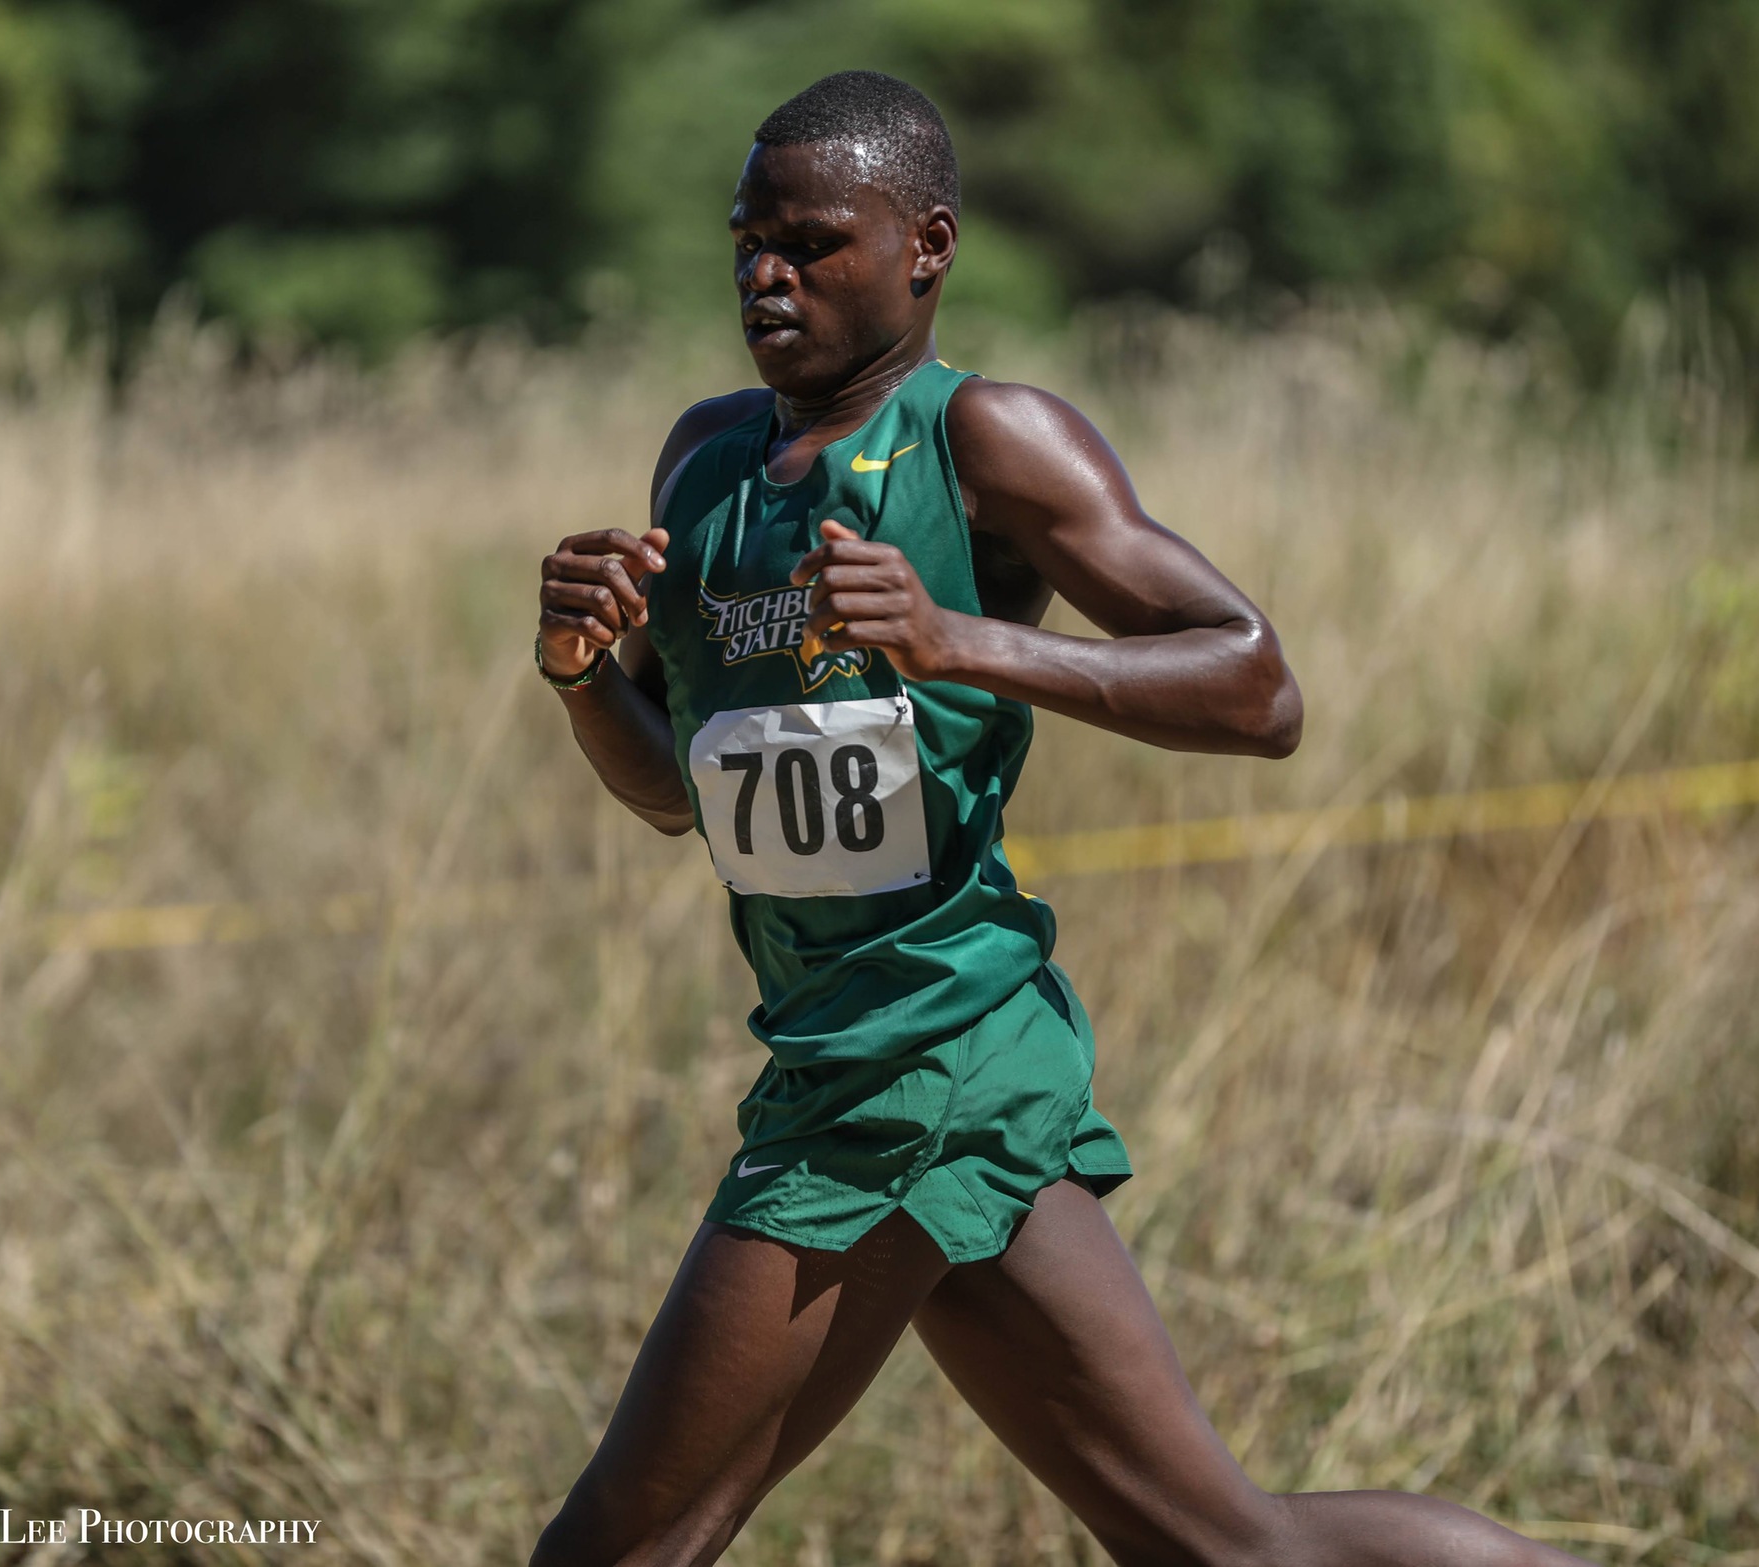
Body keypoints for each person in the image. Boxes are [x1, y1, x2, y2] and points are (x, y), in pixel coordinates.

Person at [531, 69, 1589, 1567]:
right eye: (748, 239)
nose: (768, 274)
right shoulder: (702, 464)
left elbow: (1259, 684)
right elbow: (670, 799)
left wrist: (965, 644)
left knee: (613, 1551)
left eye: (815, 241)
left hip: (913, 1069)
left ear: (929, 246)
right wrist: (580, 680)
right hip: (892, 1053)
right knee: (1227, 1549)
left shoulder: (990, 444)